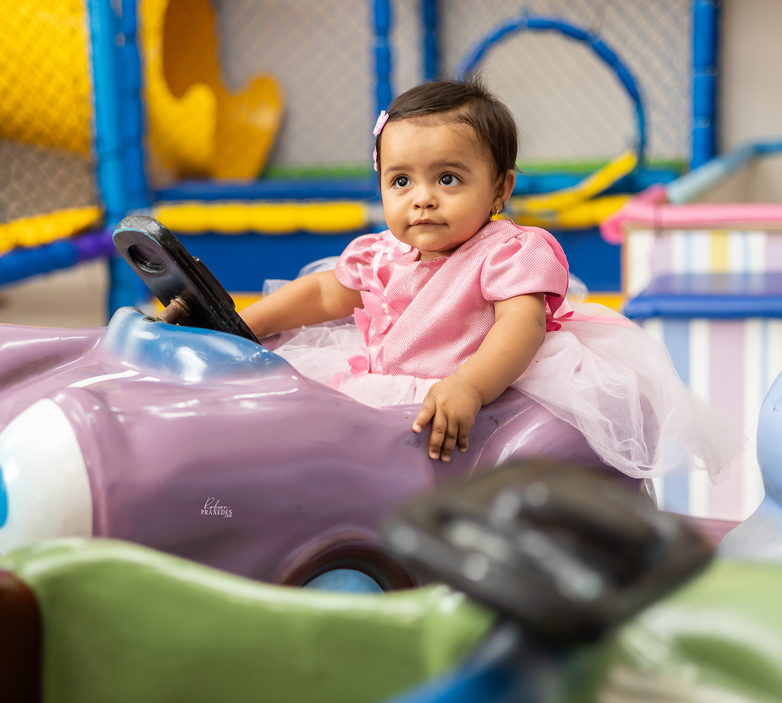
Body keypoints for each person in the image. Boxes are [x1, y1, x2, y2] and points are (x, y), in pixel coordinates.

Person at [240, 78, 737, 481]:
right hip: (391, 395)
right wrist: (242, 324)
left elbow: (521, 326)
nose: (422, 198)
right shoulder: (382, 253)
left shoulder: (507, 251)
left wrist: (471, 386)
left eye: (448, 179)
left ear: (500, 189)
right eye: (401, 181)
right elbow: (325, 291)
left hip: (484, 397)